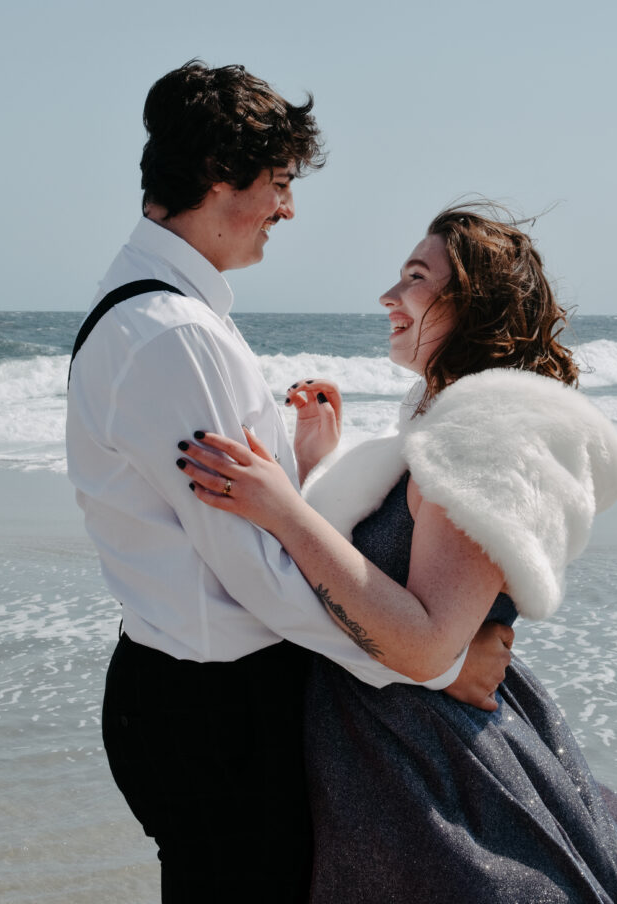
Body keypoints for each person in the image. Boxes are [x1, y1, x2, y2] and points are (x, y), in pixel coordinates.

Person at [66, 66, 511, 902]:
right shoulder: (173, 334)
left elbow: (235, 537)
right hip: (214, 711)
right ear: (218, 176)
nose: (289, 208)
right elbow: (258, 575)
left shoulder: (159, 310)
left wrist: (306, 468)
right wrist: (432, 667)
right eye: (279, 182)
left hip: (191, 694)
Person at [178, 203, 617, 903]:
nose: (389, 296)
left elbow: (426, 643)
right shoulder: (440, 428)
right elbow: (393, 567)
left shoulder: (482, 441)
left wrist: (283, 509)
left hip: (434, 781)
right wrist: (321, 465)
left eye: (415, 277)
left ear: (473, 303)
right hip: (397, 756)